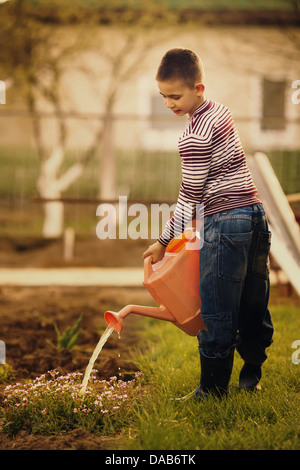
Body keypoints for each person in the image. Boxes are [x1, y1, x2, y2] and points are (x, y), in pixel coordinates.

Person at [142, 48, 274, 399]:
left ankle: (213, 390)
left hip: (227, 223)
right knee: (252, 301)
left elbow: (190, 196)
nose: (168, 103)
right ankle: (251, 377)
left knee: (216, 307)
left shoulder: (193, 137)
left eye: (175, 96)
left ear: (198, 88)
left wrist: (163, 240)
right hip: (255, 217)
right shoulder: (220, 112)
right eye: (163, 96)